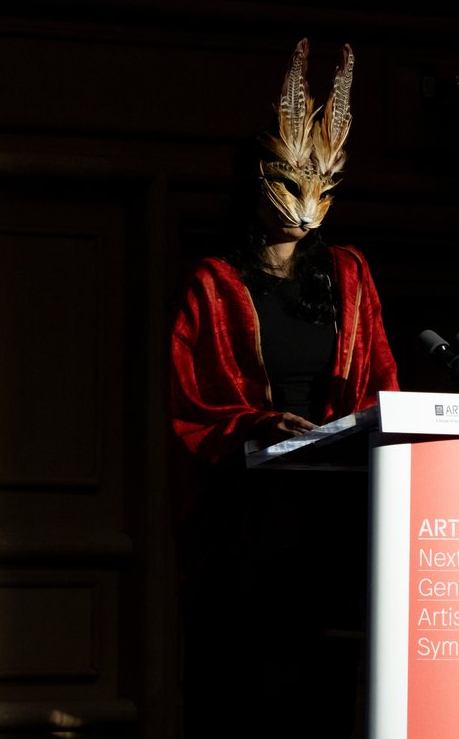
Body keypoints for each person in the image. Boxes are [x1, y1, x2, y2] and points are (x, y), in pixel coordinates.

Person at [168, 39, 399, 737]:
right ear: (256, 182)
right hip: (250, 509)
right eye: (291, 183)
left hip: (335, 503)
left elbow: (380, 378)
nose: (306, 205)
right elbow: (192, 399)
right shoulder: (214, 283)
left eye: (322, 185)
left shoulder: (349, 274)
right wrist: (257, 424)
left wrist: (362, 431)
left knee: (323, 679)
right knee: (248, 679)